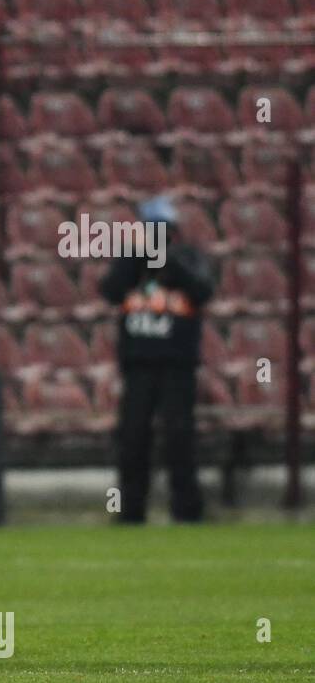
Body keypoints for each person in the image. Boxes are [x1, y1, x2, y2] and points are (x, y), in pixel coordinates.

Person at [99, 196, 215, 524]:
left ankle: (187, 511)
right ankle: (131, 511)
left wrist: (172, 263)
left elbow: (204, 291)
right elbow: (109, 290)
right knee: (133, 438)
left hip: (177, 365)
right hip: (137, 364)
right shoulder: (131, 260)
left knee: (180, 436)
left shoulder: (189, 259)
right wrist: (135, 259)